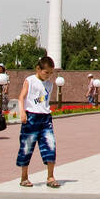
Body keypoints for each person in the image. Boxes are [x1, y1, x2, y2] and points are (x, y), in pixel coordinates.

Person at [16, 56, 59, 188]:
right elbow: (21, 97)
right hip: (31, 117)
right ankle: (24, 177)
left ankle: (50, 177)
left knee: (50, 144)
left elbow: (44, 101)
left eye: (51, 73)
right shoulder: (30, 80)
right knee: (27, 146)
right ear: (38, 69)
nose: (48, 76)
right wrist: (22, 112)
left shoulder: (50, 85)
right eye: (46, 72)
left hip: (45, 118)